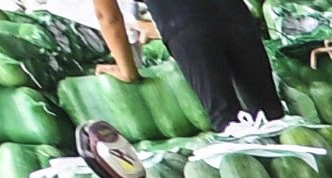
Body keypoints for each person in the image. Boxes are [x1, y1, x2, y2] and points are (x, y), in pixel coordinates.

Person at [88, 0, 281, 129]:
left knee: (228, 122)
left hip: (185, 28)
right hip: (236, 16)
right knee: (272, 117)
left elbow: (108, 17)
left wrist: (127, 70)